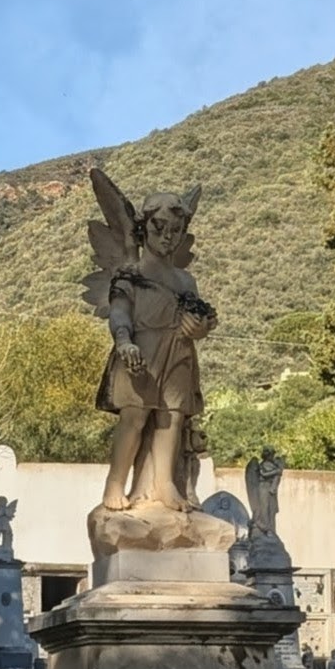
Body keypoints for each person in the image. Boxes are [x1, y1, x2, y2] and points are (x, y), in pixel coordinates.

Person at [94, 187, 216, 511]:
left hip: (179, 353)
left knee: (170, 418)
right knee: (134, 417)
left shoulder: (186, 282)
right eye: (159, 227)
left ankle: (165, 484)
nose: (167, 236)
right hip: (142, 352)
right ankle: (115, 483)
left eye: (175, 230)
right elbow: (120, 311)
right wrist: (124, 341)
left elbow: (200, 316)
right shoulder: (131, 274)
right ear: (143, 227)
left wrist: (202, 327)